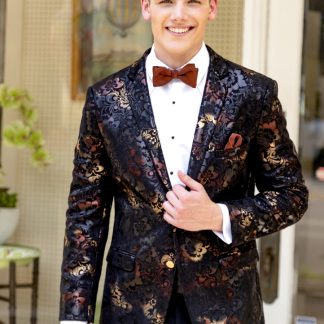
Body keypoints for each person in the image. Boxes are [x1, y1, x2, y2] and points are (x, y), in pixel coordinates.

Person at [59, 0, 308, 323]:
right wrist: (73, 317)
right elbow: (85, 215)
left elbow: (292, 196)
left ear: (212, 8)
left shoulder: (253, 93)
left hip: (226, 305)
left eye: (192, 2)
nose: (178, 14)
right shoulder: (106, 99)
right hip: (132, 306)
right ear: (146, 6)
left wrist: (218, 216)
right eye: (166, 2)